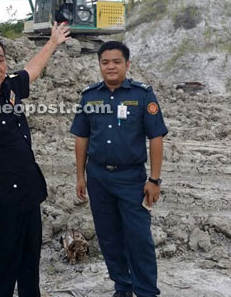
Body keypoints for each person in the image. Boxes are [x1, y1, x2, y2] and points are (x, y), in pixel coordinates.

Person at [0, 22, 70, 297]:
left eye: (0, 60)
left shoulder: (7, 87)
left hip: (28, 198)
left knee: (29, 268)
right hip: (2, 206)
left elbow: (32, 71)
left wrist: (53, 42)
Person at [70, 41, 168, 297]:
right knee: (109, 237)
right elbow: (81, 137)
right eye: (105, 62)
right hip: (98, 177)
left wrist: (154, 180)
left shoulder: (142, 95)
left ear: (127, 64)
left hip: (131, 179)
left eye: (116, 61)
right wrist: (81, 176)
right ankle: (122, 287)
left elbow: (156, 137)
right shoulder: (89, 96)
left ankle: (146, 291)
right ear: (99, 65)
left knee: (139, 238)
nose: (110, 66)